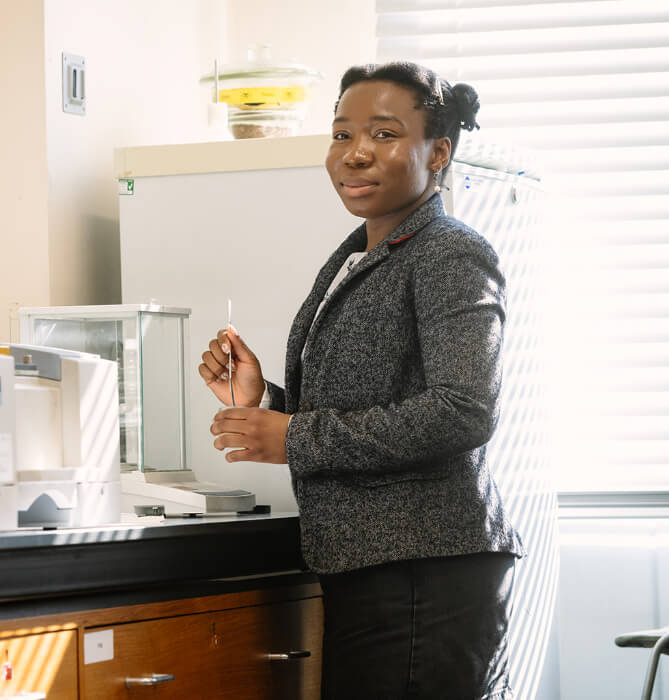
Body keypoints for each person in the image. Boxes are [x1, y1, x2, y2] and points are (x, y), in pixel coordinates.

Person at [198, 61, 524, 700]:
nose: (355, 155)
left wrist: (292, 437)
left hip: (423, 572)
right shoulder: (361, 253)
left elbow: (462, 410)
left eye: (383, 134)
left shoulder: (450, 251)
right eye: (342, 134)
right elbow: (373, 402)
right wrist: (264, 401)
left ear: (439, 152)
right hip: (377, 570)